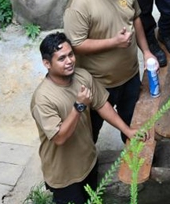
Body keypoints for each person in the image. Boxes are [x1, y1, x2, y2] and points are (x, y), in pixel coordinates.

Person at [31, 32, 139, 204]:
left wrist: (128, 131)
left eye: (71, 55)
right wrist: (79, 106)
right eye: (61, 58)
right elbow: (59, 137)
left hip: (88, 162)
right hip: (64, 176)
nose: (69, 61)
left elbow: (102, 104)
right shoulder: (43, 99)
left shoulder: (82, 76)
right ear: (47, 64)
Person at [63, 0, 156, 143]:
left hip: (130, 76)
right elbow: (76, 45)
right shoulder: (80, 5)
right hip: (98, 83)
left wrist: (146, 52)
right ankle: (88, 169)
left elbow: (136, 17)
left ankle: (134, 167)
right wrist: (114, 42)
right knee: (90, 133)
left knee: (133, 128)